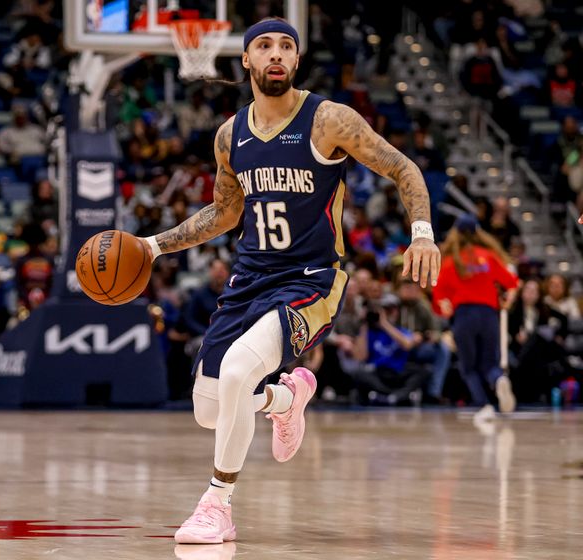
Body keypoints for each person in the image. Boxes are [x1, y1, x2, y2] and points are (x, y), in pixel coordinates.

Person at [136, 18, 441, 545]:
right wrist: (152, 245)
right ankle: (284, 399)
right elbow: (224, 214)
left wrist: (421, 233)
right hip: (250, 278)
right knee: (210, 410)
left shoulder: (328, 121)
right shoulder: (231, 135)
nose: (275, 54)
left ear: (295, 61)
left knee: (234, 376)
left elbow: (403, 167)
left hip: (310, 278)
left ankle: (217, 504)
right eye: (263, 46)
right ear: (248, 61)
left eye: (286, 47)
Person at [432, 214, 518, 422]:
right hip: (489, 315)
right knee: (490, 363)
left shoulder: (451, 262)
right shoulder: (489, 257)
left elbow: (440, 299)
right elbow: (513, 283)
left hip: (464, 316)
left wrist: (445, 309)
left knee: (468, 367)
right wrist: (507, 302)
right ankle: (498, 380)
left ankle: (484, 405)